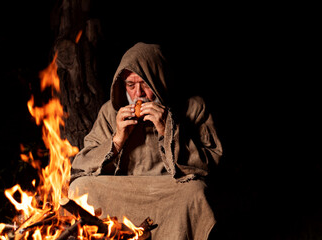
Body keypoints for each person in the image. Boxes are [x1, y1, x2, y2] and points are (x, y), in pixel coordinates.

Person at [68, 42, 223, 239]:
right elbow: (81, 165)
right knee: (79, 188)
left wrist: (167, 130)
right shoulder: (110, 112)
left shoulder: (194, 107)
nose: (138, 94)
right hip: (124, 188)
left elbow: (212, 165)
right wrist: (117, 140)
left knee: (196, 193)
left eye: (145, 84)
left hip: (168, 190)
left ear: (160, 81)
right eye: (130, 85)